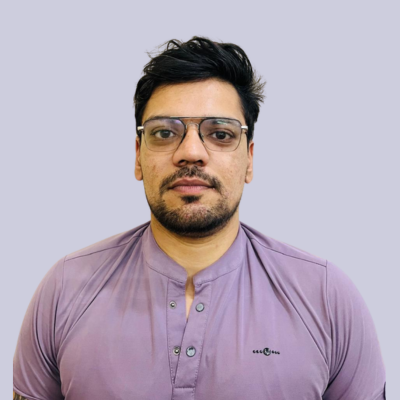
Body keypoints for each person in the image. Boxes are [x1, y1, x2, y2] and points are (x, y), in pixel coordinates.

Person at [13, 36, 386, 400]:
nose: (191, 152)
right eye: (164, 132)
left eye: (220, 133)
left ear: (249, 159)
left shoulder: (326, 297)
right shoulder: (65, 289)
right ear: (138, 155)